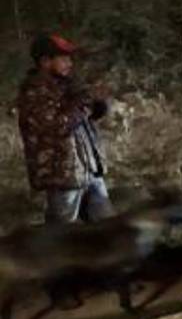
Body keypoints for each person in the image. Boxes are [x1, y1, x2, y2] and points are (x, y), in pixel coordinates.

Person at [15, 32, 113, 224]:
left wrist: (99, 106)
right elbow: (56, 126)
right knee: (61, 237)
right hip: (63, 178)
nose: (70, 63)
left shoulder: (67, 86)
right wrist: (84, 103)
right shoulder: (34, 92)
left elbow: (83, 119)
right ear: (45, 61)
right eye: (63, 58)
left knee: (109, 232)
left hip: (89, 171)